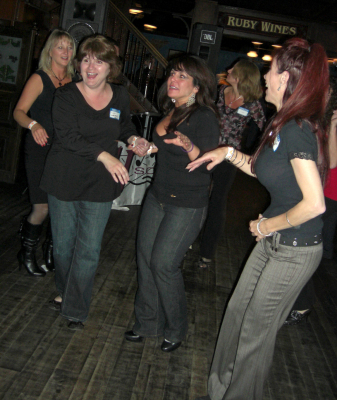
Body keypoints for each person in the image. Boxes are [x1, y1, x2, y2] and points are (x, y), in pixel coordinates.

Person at [188, 37, 329, 399]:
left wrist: (267, 225)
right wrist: (227, 153)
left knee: (255, 331)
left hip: (294, 248)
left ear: (285, 80)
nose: (265, 75)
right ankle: (220, 389)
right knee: (237, 312)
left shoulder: (298, 129)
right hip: (275, 242)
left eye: (271, 68)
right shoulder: (280, 124)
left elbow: (314, 204)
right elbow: (258, 167)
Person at [39, 34, 150, 330]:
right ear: (79, 64)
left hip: (99, 182)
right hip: (64, 176)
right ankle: (65, 288)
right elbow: (68, 137)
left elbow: (124, 124)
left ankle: (75, 308)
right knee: (63, 248)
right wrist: (106, 155)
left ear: (109, 67)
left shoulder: (120, 95)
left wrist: (133, 138)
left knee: (88, 249)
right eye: (86, 59)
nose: (91, 66)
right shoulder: (65, 96)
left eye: (99, 61)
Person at [125, 54, 220, 352]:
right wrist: (149, 146)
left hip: (187, 203)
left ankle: (175, 329)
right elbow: (167, 149)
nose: (173, 80)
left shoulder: (203, 116)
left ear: (196, 86)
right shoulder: (171, 109)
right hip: (158, 196)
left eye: (181, 76)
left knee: (164, 264)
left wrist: (190, 146)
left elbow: (207, 163)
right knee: (145, 259)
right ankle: (147, 323)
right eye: (172, 75)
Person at [13, 29, 75, 276]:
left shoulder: (74, 81)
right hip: (39, 150)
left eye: (69, 48)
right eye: (60, 47)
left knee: (59, 206)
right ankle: (26, 253)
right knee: (42, 208)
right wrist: (33, 124)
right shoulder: (39, 78)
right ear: (49, 51)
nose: (66, 52)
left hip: (63, 152)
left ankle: (50, 251)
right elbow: (18, 112)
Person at [198, 59, 265, 268]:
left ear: (241, 77)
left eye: (233, 70)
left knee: (218, 201)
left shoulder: (253, 104)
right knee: (197, 196)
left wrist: (253, 154)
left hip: (229, 157)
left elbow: (266, 132)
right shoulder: (220, 91)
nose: (227, 70)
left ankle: (207, 251)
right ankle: (188, 238)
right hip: (207, 150)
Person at [284, 76, 337, 326]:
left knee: (304, 244)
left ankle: (303, 303)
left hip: (329, 194)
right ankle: (300, 301)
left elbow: (332, 161)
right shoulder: (318, 121)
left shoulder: (332, 121)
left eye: (326, 93)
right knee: (306, 245)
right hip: (321, 190)